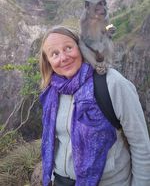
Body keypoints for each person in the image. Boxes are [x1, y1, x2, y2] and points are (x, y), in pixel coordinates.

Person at [39, 25, 150, 186]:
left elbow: (141, 144)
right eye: (54, 54)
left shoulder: (112, 83)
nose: (63, 58)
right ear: (48, 61)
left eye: (68, 48)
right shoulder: (52, 91)